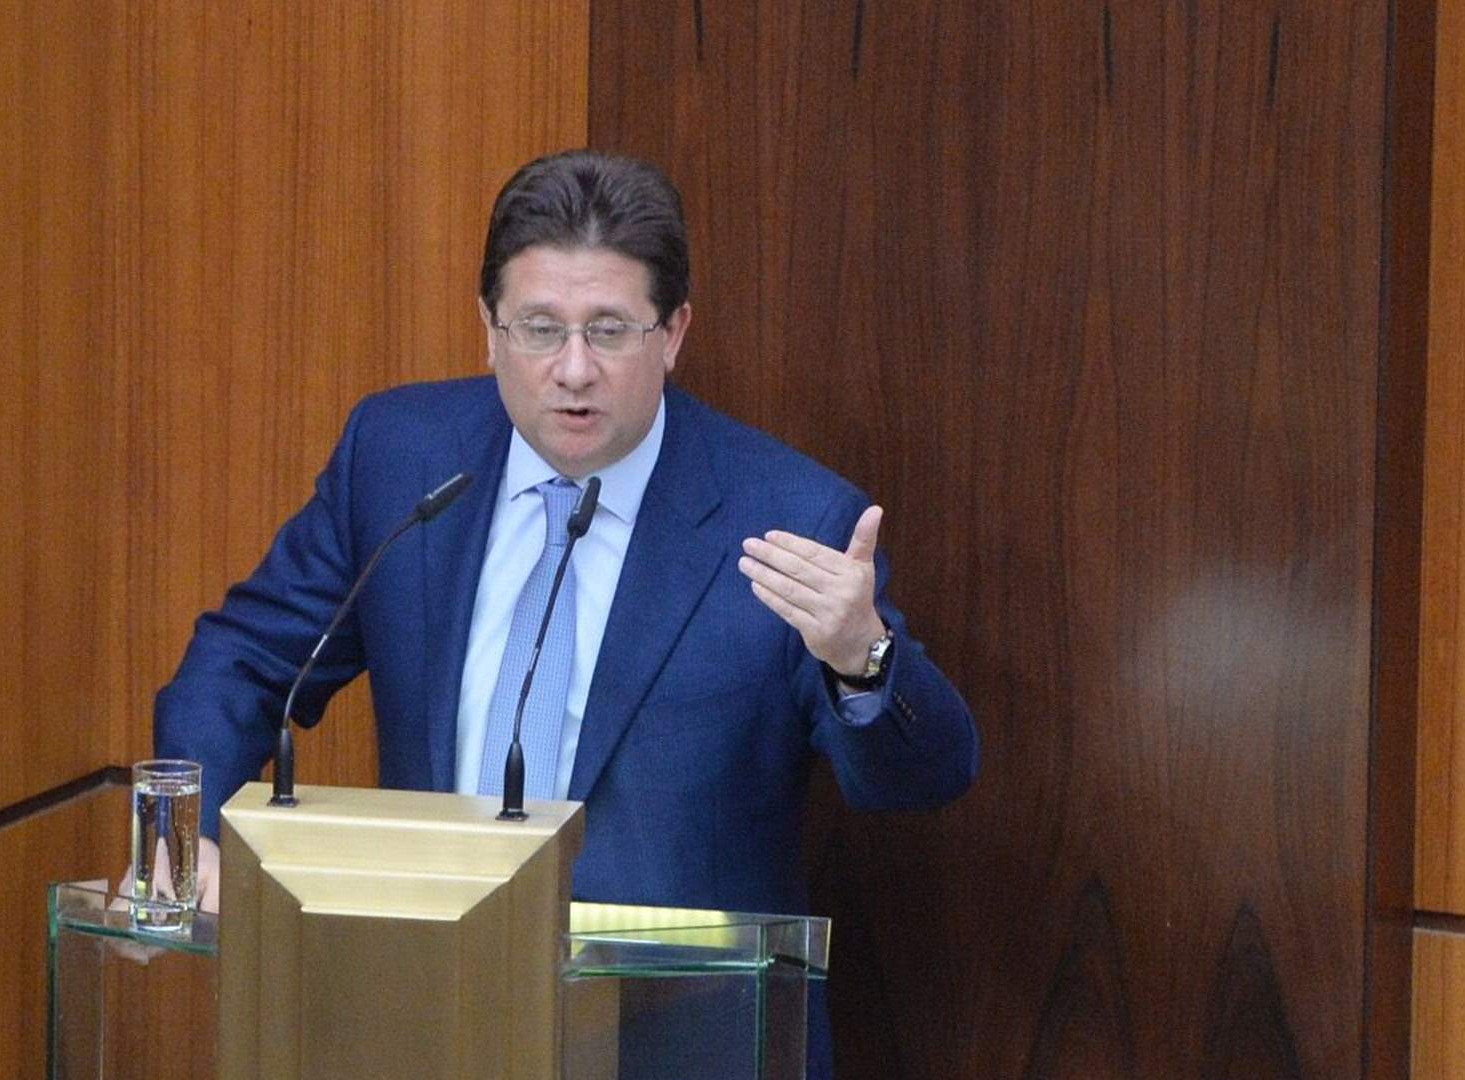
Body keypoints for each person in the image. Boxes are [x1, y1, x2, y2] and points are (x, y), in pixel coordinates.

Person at [150, 149, 978, 1074]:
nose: (573, 370)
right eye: (540, 329)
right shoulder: (399, 457)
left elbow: (924, 777)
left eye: (609, 331)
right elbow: (246, 657)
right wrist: (189, 831)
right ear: (488, 329)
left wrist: (863, 655)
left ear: (674, 333)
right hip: (432, 1019)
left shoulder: (787, 516)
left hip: (682, 1038)